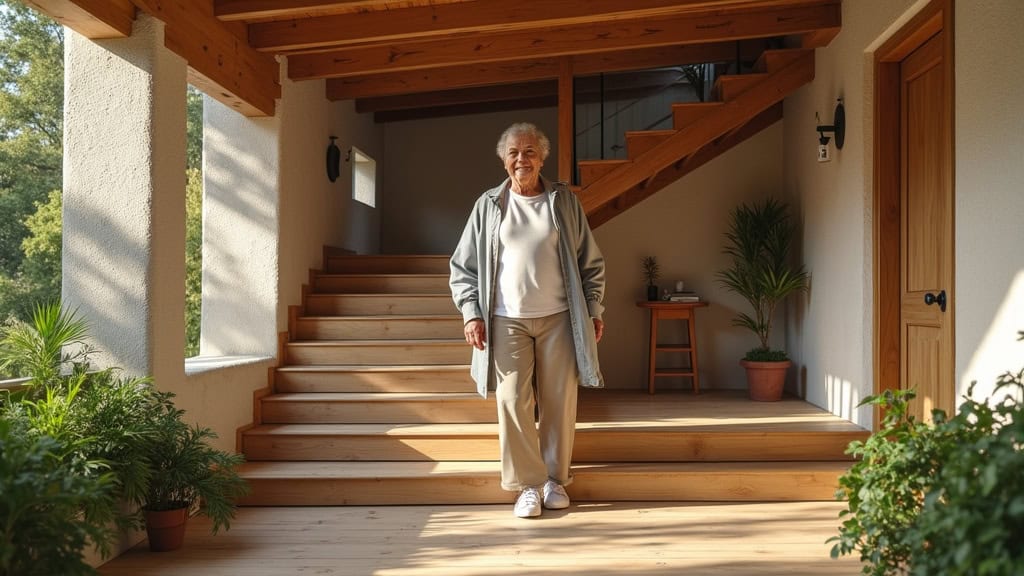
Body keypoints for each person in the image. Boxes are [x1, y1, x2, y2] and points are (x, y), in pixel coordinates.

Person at [449, 122, 606, 518]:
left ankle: (555, 480)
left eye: (530, 151)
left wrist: (593, 309)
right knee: (512, 401)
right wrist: (471, 313)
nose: (522, 159)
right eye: (514, 153)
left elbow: (590, 261)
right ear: (504, 160)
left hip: (560, 318)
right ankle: (529, 486)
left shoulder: (563, 202)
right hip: (505, 320)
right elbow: (463, 267)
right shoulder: (488, 205)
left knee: (558, 401)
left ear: (542, 157)